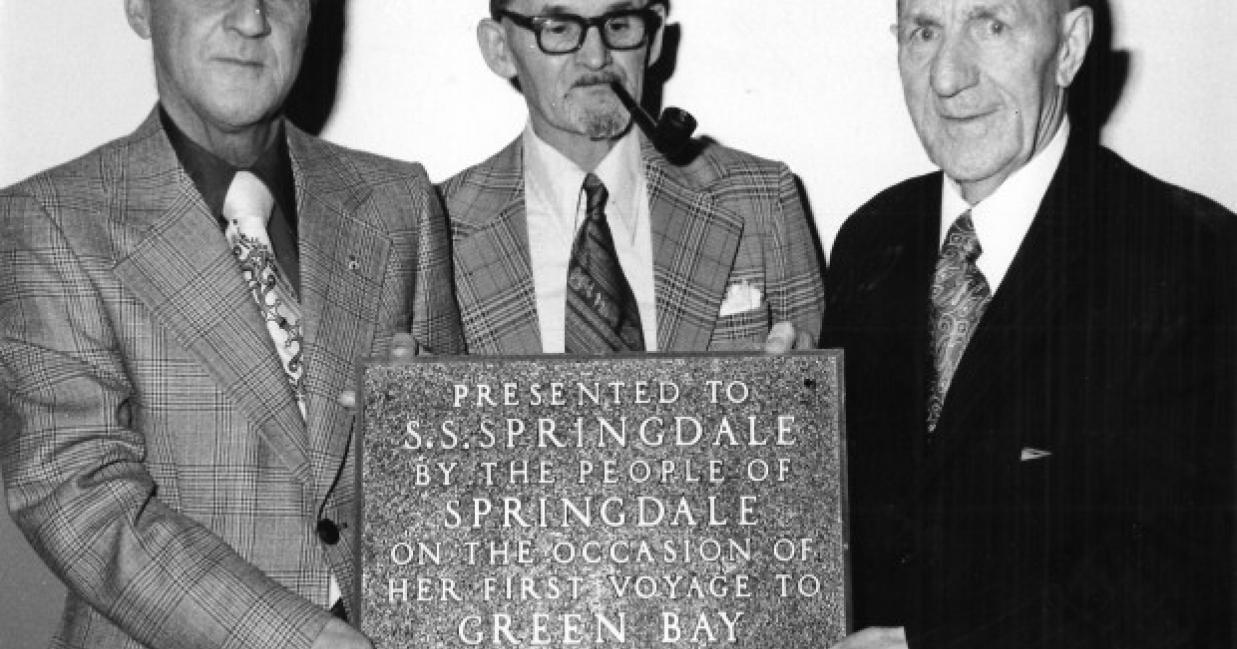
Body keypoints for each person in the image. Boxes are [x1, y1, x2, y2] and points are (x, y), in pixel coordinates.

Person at [0, 1, 462, 648]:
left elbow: (454, 492)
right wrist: (306, 640)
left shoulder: (398, 202)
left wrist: (437, 428)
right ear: (140, 8)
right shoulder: (50, 222)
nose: (251, 19)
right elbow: (79, 497)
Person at [824, 0, 1236, 647]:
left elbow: (1186, 577)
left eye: (992, 26)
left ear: (1068, 47)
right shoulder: (869, 240)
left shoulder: (1188, 257)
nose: (946, 76)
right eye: (923, 31)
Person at [441, 0, 824, 355]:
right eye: (559, 29)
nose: (596, 57)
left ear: (653, 38)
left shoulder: (762, 198)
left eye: (618, 24)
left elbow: (817, 407)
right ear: (499, 48)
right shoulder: (439, 226)